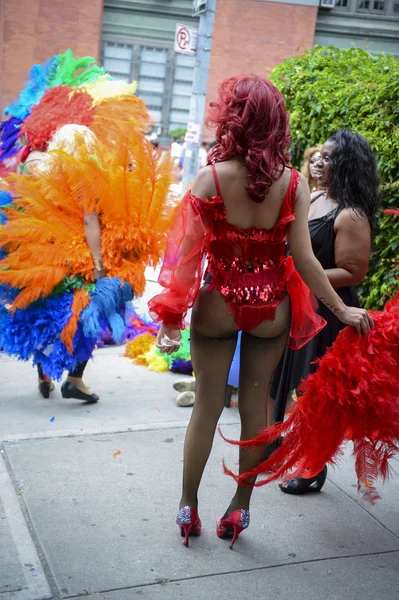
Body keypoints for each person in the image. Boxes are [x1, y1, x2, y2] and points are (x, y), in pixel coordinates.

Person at [148, 75, 373, 549]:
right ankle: (240, 509)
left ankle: (188, 507)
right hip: (271, 304)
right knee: (256, 408)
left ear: (232, 118)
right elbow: (307, 262)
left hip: (218, 302)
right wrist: (342, 311)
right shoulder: (292, 184)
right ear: (277, 123)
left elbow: (186, 259)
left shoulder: (210, 177)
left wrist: (170, 319)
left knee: (206, 408)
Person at [270, 129, 380, 494]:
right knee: (284, 380)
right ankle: (280, 443)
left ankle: (313, 465)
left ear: (347, 165)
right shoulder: (313, 197)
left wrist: (299, 275)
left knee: (314, 392)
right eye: (318, 154)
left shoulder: (350, 214)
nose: (319, 161)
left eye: (329, 157)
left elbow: (354, 272)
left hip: (330, 313)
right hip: (297, 306)